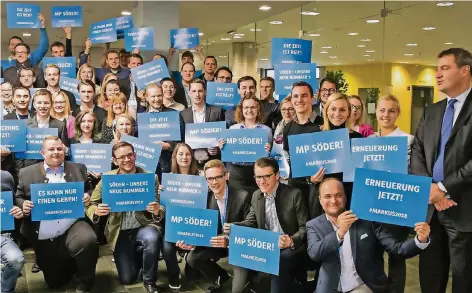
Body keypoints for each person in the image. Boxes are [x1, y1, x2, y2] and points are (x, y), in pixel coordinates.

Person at [411, 48, 472, 293]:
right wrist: (430, 190)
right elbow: (417, 151)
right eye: (437, 69)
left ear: (465, 70)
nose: (437, 74)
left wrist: (444, 188)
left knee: (464, 279)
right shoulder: (431, 111)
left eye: (445, 68)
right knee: (430, 277)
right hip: (430, 211)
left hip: (464, 210)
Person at [306, 178, 431, 293]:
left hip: (362, 286)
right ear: (320, 200)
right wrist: (339, 233)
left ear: (345, 196)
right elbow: (314, 253)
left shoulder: (366, 220)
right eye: (328, 196)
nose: (333, 201)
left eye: (338, 195)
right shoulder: (313, 225)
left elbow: (396, 249)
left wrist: (420, 239)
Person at [86, 141, 180, 293]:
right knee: (127, 278)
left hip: (144, 225)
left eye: (130, 155)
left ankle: (150, 282)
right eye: (121, 157)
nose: (127, 159)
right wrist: (96, 211)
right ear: (114, 161)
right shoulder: (107, 180)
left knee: (152, 237)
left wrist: (157, 210)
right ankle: (140, 256)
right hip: (120, 231)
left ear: (135, 155)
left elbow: (160, 206)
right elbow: (90, 204)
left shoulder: (150, 178)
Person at [15, 136, 98, 293]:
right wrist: (23, 205)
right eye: (51, 149)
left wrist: (88, 195)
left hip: (73, 223)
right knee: (55, 282)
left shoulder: (78, 168)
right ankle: (70, 263)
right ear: (42, 152)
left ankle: (85, 280)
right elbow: (19, 196)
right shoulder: (27, 173)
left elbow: (89, 189)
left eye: (59, 149)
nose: (56, 152)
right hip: (43, 229)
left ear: (65, 151)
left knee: (88, 240)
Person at [225, 157, 309, 293]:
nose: (261, 181)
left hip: (290, 247)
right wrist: (234, 226)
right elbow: (251, 222)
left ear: (277, 175)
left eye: (266, 176)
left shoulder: (294, 194)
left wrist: (291, 240)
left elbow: (305, 228)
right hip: (266, 246)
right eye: (258, 177)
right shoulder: (256, 195)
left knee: (278, 263)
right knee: (240, 259)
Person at [176, 160, 250, 293]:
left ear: (226, 176)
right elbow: (200, 228)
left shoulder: (243, 197)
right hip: (215, 243)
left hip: (237, 245)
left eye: (218, 177)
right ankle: (220, 276)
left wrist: (229, 239)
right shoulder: (203, 199)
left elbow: (250, 230)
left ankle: (251, 276)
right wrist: (191, 243)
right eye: (210, 178)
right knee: (192, 258)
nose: (214, 182)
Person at [369, 94, 414, 293]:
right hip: (371, 206)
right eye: (382, 110)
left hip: (396, 206)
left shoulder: (408, 140)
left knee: (397, 256)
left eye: (391, 110)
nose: (386, 115)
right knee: (373, 255)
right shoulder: (368, 141)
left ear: (398, 113)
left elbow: (412, 173)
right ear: (376, 112)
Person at [308, 92, 363, 220]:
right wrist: (311, 178)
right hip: (321, 199)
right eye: (333, 109)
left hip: (349, 198)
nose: (337, 114)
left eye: (342, 109)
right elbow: (303, 171)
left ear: (348, 112)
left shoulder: (357, 139)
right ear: (326, 111)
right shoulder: (314, 136)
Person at [219, 95, 272, 195]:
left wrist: (269, 151)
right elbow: (228, 156)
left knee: (257, 203)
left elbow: (269, 158)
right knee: (238, 204)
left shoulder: (266, 131)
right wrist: (223, 148)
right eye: (246, 107)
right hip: (237, 173)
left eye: (253, 107)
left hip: (259, 173)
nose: (249, 110)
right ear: (241, 110)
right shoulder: (233, 129)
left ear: (258, 109)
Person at [283, 81, 323, 201]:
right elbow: (288, 157)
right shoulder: (288, 127)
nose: (299, 100)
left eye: (304, 96)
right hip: (294, 189)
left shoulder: (322, 125)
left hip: (317, 189)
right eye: (295, 96)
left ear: (312, 99)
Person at [180, 79, 225, 170]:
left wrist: (218, 149)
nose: (197, 94)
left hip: (212, 163)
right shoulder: (183, 114)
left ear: (205, 92)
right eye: (194, 91)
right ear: (189, 93)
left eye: (200, 91)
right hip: (191, 163)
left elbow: (224, 138)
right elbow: (182, 140)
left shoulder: (217, 111)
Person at [143, 83, 178, 177]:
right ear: (146, 97)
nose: (157, 99)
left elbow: (183, 142)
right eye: (153, 96)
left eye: (159, 95)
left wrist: (168, 146)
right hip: (148, 167)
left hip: (169, 165)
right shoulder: (141, 118)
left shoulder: (173, 115)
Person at [1, 170, 25, 293]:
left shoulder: (5, 176)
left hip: (2, 235)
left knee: (16, 259)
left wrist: (17, 211)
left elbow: (12, 202)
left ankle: (5, 290)